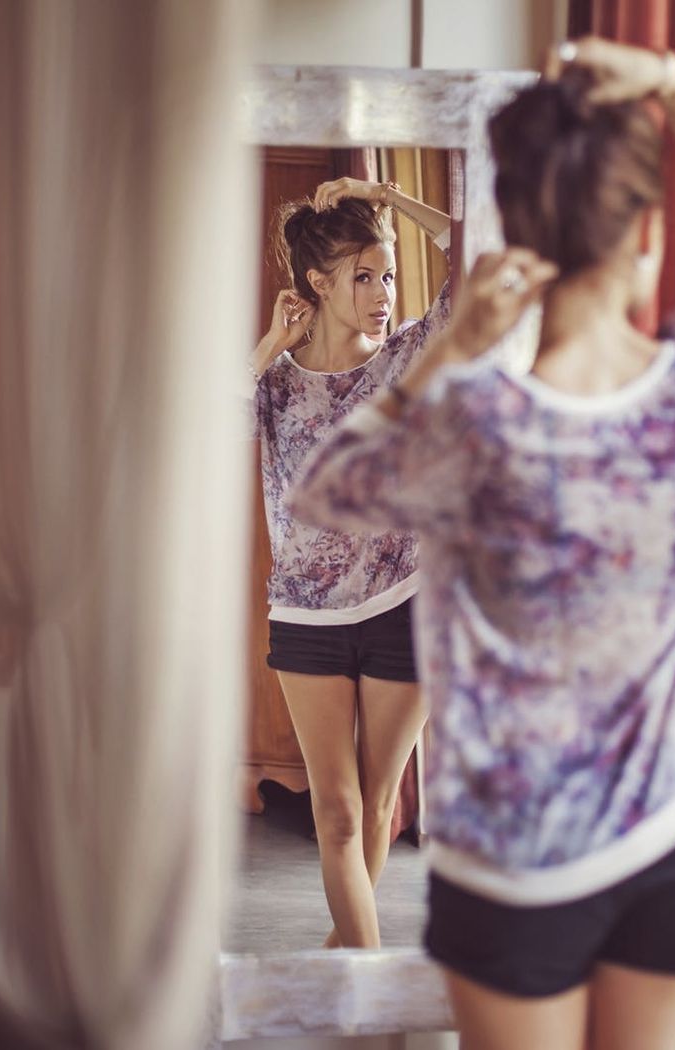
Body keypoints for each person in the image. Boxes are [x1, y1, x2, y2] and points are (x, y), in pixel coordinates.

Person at [287, 36, 675, 1050]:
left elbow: (324, 495)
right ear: (644, 234)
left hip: (510, 869)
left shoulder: (466, 424)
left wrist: (442, 360)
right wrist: (671, 85)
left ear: (523, 244)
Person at [248, 174, 452, 949]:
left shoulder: (408, 356)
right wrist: (268, 344)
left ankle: (347, 971)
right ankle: (363, 986)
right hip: (305, 617)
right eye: (363, 277)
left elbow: (482, 251)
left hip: (406, 604)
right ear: (317, 282)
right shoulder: (275, 384)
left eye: (388, 275)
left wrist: (391, 200)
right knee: (335, 812)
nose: (382, 293)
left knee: (372, 807)